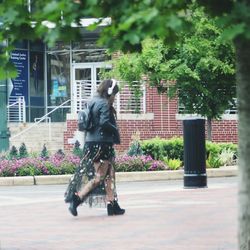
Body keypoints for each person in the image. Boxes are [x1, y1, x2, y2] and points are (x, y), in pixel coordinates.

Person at [64, 79, 125, 217]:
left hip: (92, 143)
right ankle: (77, 199)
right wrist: (115, 129)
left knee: (109, 174)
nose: (114, 97)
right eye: (114, 94)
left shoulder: (92, 101)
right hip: (102, 144)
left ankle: (112, 205)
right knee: (100, 177)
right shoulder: (103, 103)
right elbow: (104, 123)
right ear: (109, 92)